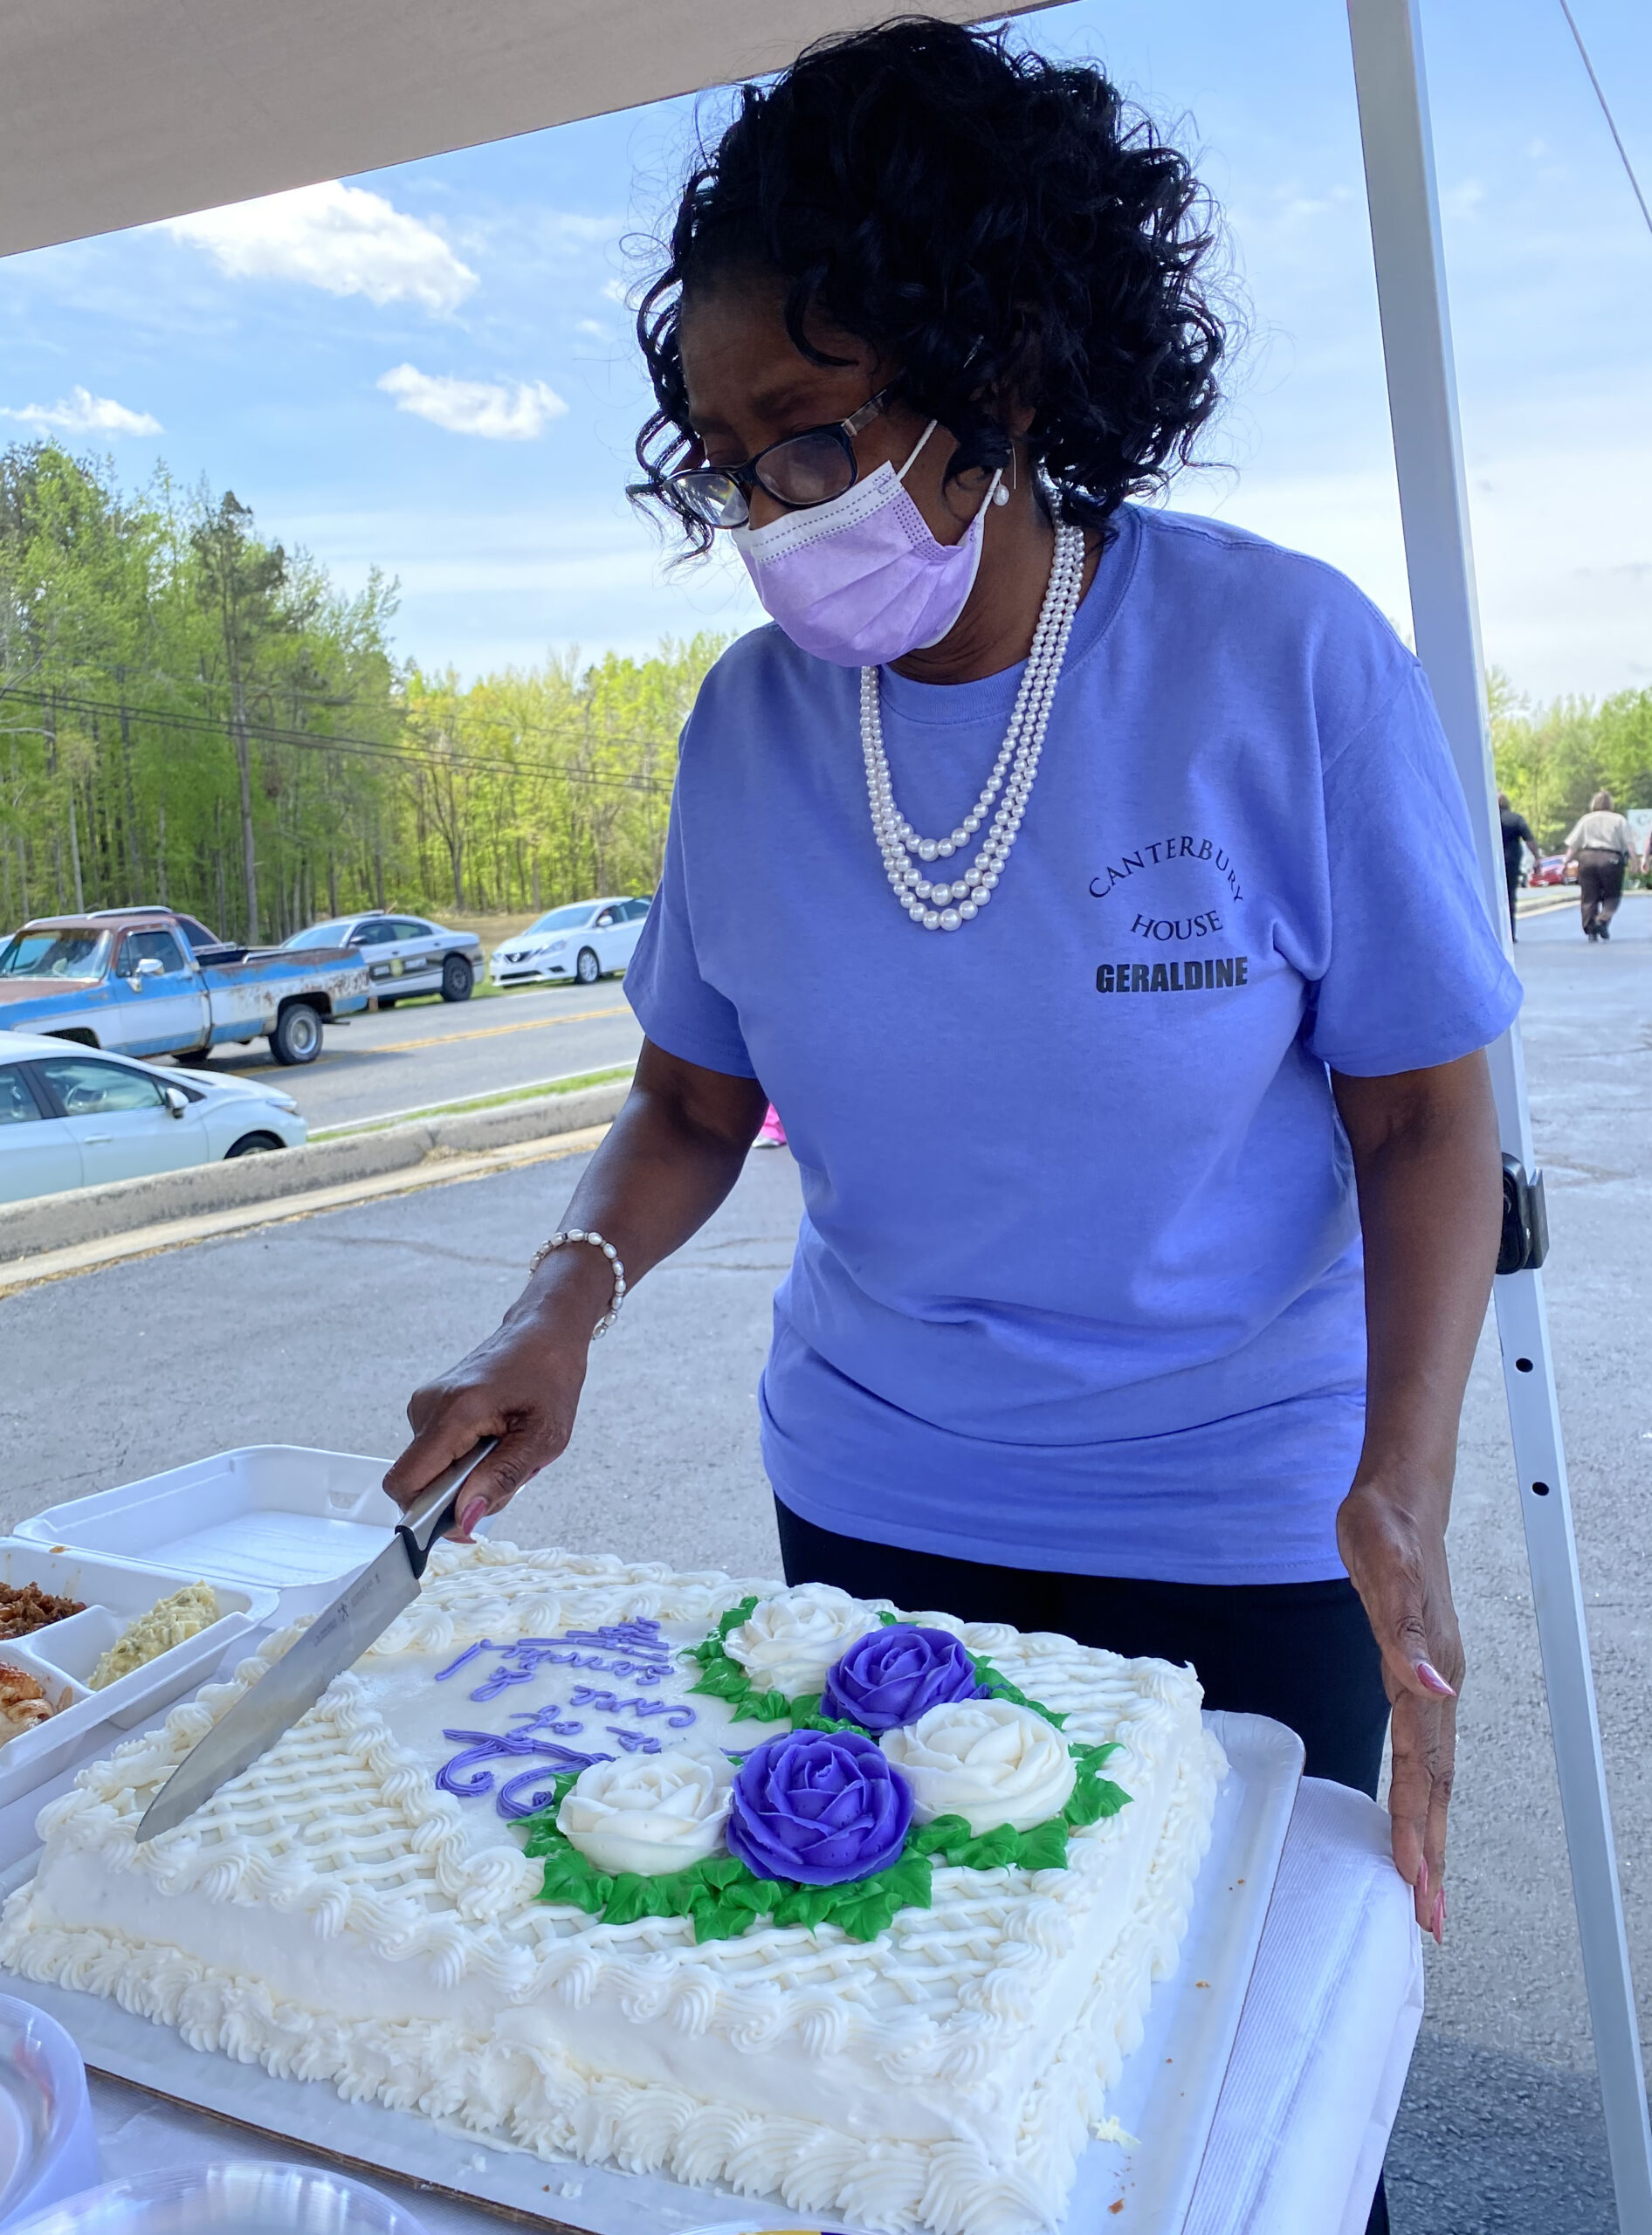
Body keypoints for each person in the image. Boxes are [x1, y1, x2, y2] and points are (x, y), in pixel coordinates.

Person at [386, 31, 1522, 2223]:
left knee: (1232, 2115)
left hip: (1255, 1534)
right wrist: (560, 1300)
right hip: (880, 1502)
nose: (762, 509)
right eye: (719, 458)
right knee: (938, 2077)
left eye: (807, 433)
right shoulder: (744, 733)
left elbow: (1418, 1112)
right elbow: (692, 1094)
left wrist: (1404, 1471)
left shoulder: (1277, 659)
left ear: (999, 376)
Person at [1562, 788, 1635, 939]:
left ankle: (1590, 928)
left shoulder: (1586, 819)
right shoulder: (1619, 820)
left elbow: (1573, 845)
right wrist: (1635, 860)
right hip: (1611, 858)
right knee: (1612, 895)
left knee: (1589, 896)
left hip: (1587, 858)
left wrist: (1566, 861)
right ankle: (1603, 919)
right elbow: (1629, 843)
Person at [1498, 791, 1540, 939]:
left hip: (1492, 864)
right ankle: (1510, 933)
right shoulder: (1515, 819)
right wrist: (1537, 858)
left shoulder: (1487, 820)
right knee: (1510, 896)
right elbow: (1529, 840)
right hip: (1511, 862)